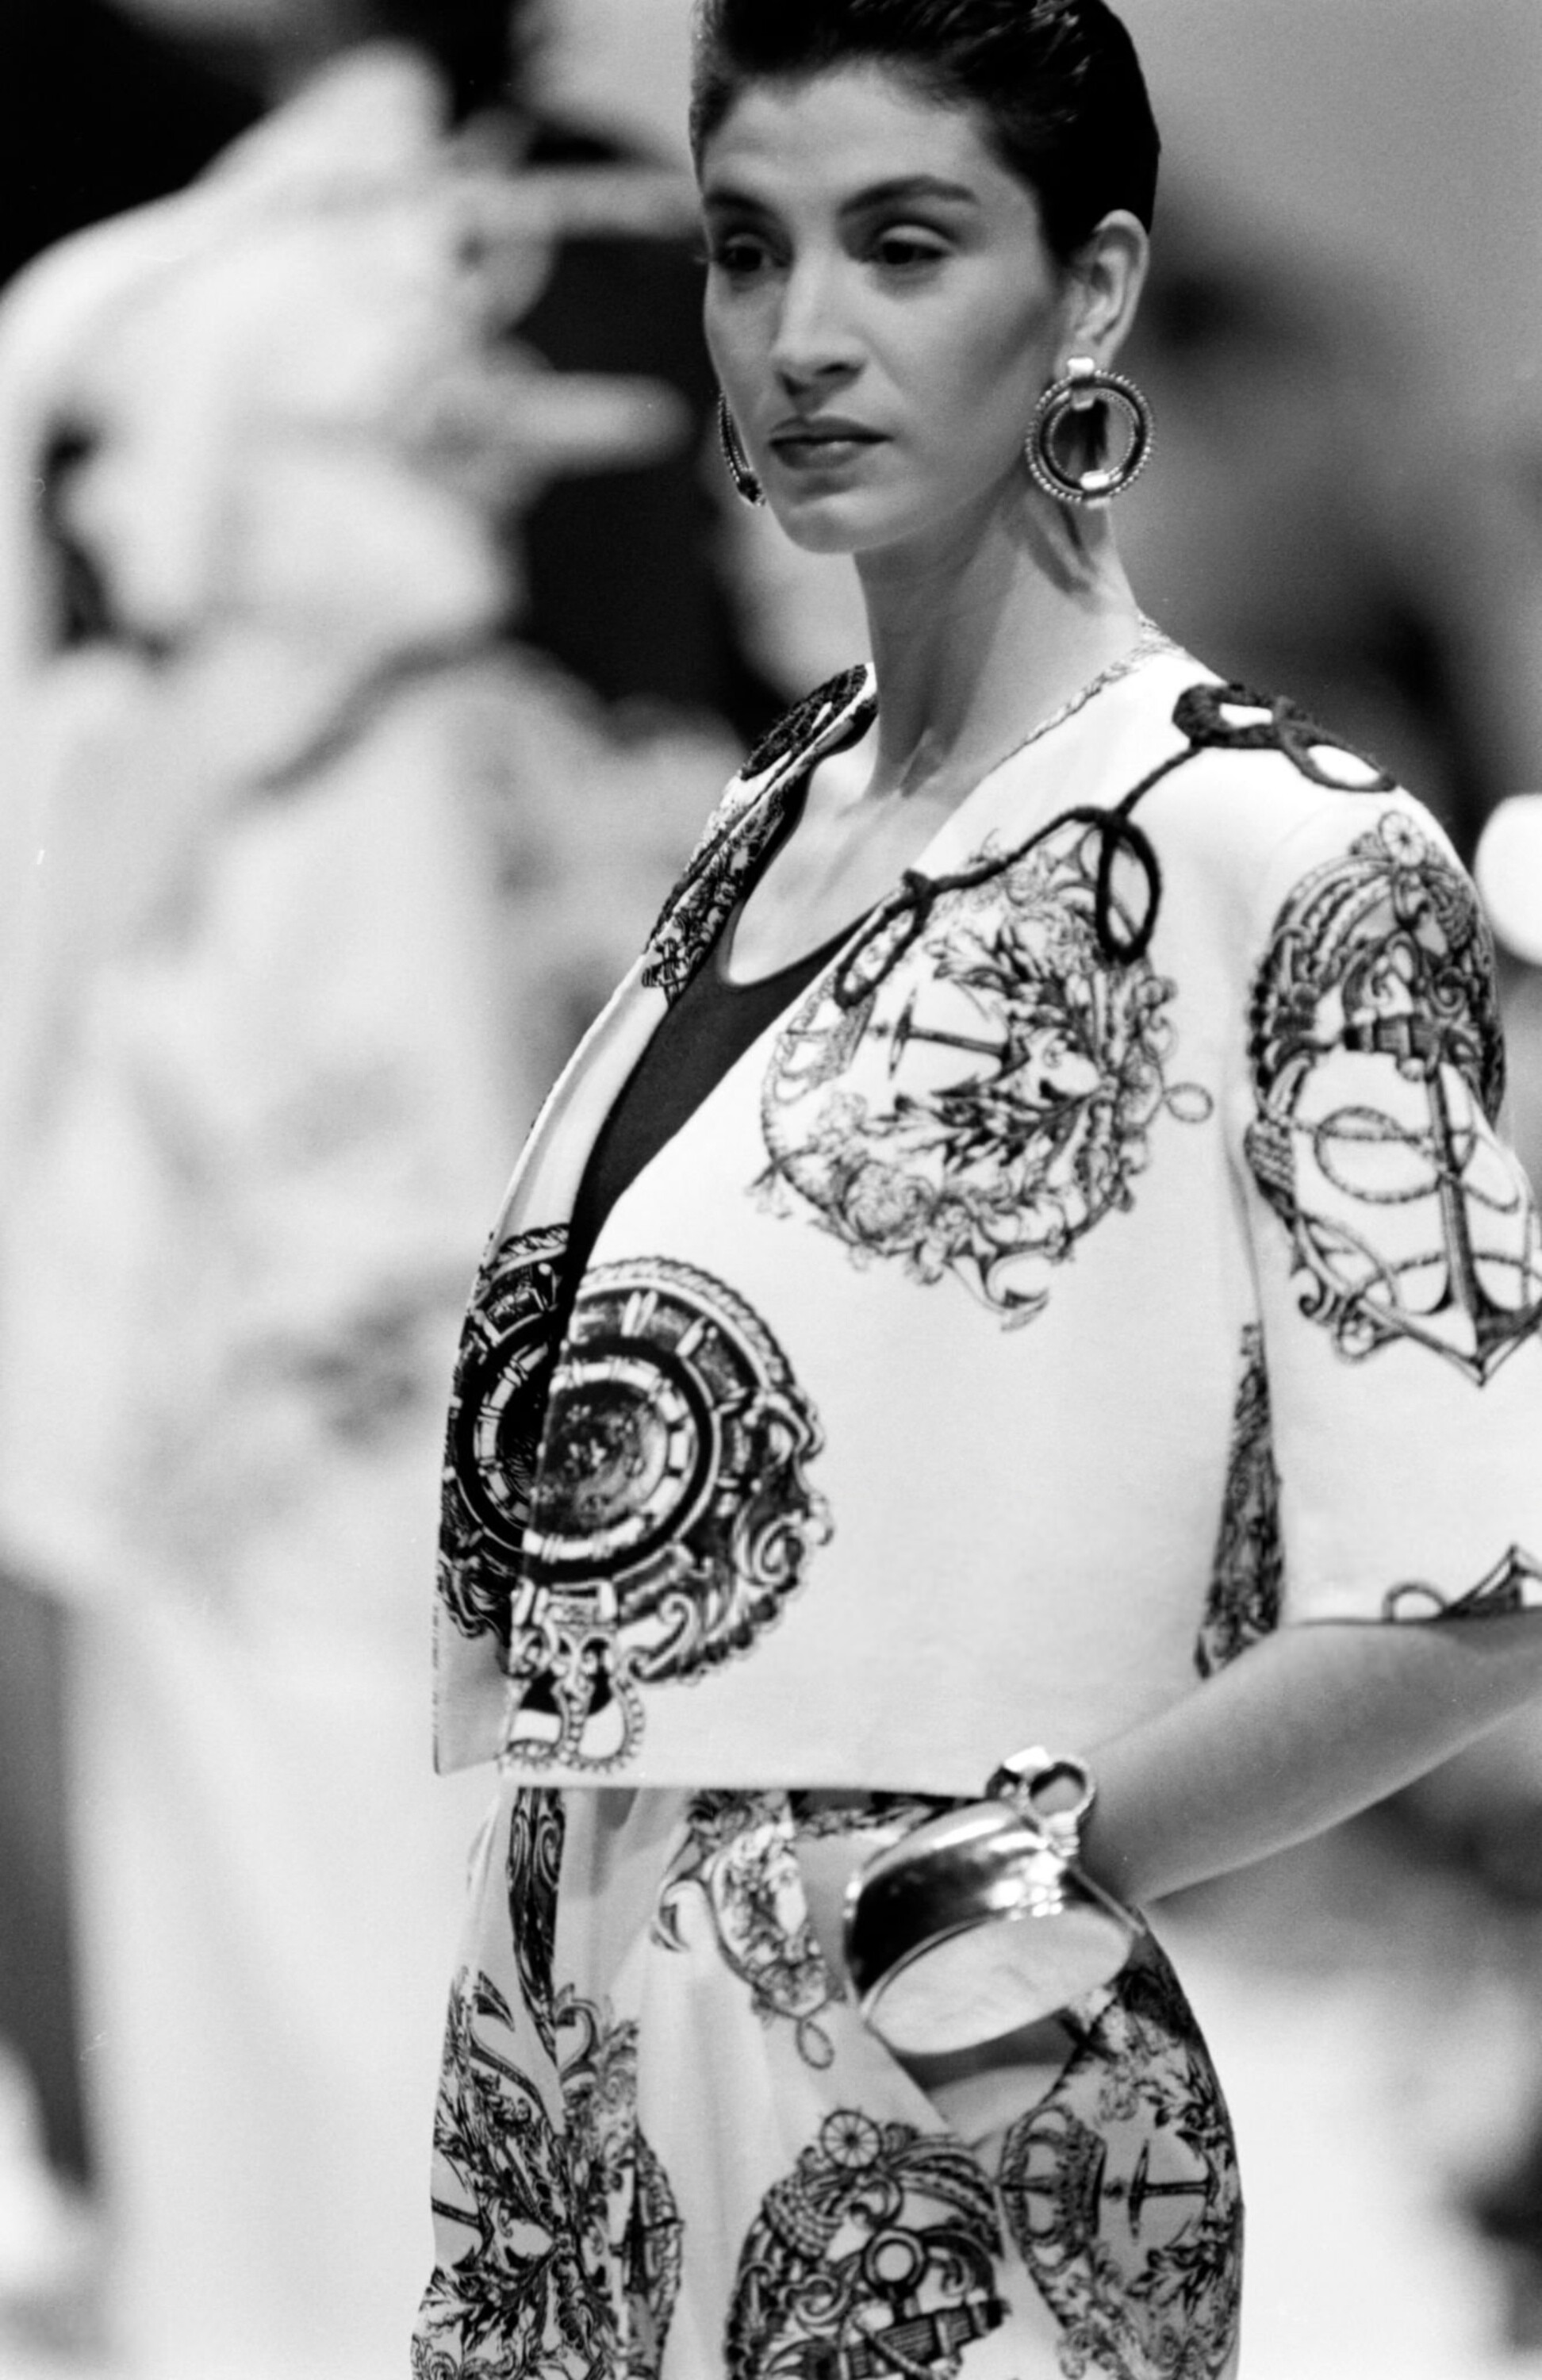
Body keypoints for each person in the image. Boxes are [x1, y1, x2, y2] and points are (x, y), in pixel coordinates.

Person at [412, 5, 1542, 2375]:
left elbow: (1480, 1581)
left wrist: (1008, 1885)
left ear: (1093, 289)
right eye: (748, 249)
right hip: (575, 2036)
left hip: (948, 2087)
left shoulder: (1273, 844)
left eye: (905, 245)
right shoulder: (773, 822)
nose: (803, 333)